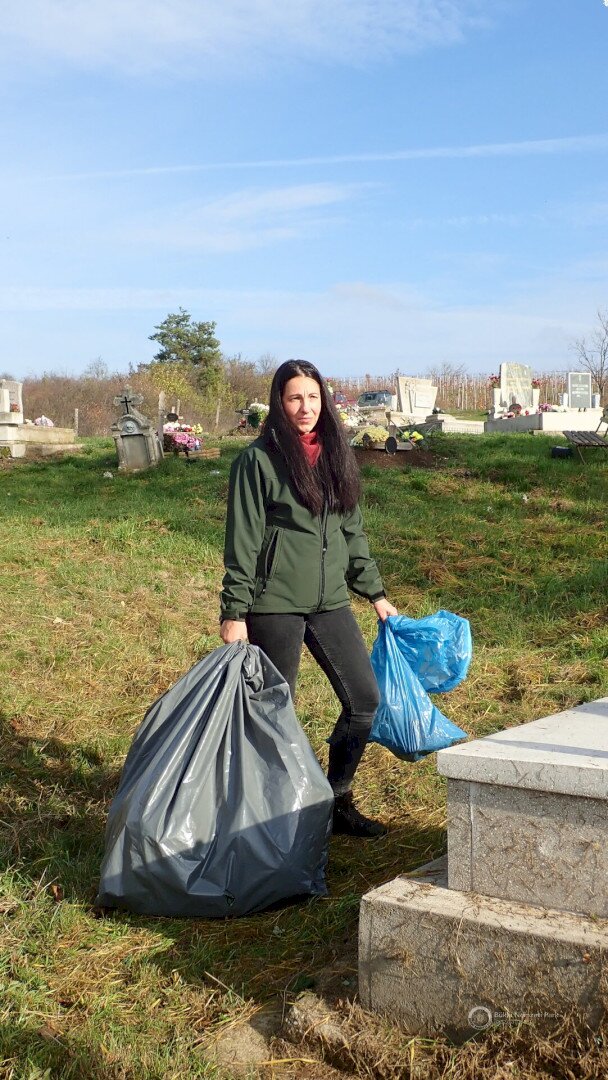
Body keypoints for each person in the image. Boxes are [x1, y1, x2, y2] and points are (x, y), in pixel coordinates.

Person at [220, 360, 397, 837]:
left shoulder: (337, 455)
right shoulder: (259, 461)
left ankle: (336, 798)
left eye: (313, 397)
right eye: (295, 397)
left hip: (330, 600)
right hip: (273, 603)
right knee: (274, 714)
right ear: (279, 402)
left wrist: (375, 592)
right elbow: (243, 541)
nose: (305, 407)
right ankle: (270, 821)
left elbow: (352, 532)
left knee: (365, 699)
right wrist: (234, 611)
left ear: (325, 401)